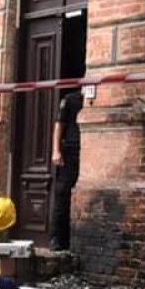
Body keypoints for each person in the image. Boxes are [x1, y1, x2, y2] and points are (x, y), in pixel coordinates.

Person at [49, 90, 83, 251]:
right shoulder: (71, 99)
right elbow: (59, 125)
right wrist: (56, 150)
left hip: (87, 148)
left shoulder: (95, 96)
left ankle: (71, 239)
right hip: (70, 150)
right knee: (62, 192)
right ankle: (56, 238)